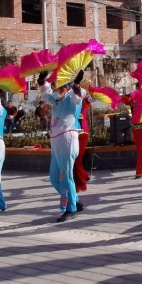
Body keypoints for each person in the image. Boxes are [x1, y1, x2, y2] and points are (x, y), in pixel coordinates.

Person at [38, 69, 84, 222]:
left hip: (67, 139)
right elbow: (46, 94)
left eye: (58, 86)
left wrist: (77, 84)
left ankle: (71, 208)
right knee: (54, 177)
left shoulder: (72, 98)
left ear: (66, 87)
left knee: (65, 175)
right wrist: (41, 81)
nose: (55, 89)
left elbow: (79, 96)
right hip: (56, 141)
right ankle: (75, 200)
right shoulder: (57, 99)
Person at [73, 90, 92, 193]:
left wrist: (92, 96)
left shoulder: (83, 101)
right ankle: (84, 175)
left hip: (82, 133)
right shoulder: (69, 102)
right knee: (75, 159)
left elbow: (89, 100)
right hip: (72, 133)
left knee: (77, 159)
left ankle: (81, 184)